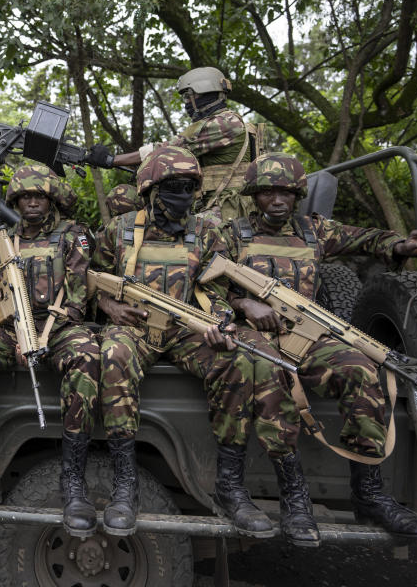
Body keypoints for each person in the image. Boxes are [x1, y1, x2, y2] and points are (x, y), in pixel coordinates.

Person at [215, 152, 417, 541]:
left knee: (360, 368)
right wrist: (242, 303)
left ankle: (369, 493)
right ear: (254, 195)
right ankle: (295, 498)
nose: (279, 200)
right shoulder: (230, 234)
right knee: (271, 377)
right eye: (269, 192)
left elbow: (365, 238)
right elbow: (206, 282)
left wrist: (402, 244)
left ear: (298, 194)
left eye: (287, 192)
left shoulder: (313, 231)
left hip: (306, 334)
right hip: (254, 336)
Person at [93, 145, 309, 542]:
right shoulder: (119, 230)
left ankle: (229, 486)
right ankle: (125, 486)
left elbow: (221, 289)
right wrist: (108, 305)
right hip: (136, 327)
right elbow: (88, 282)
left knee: (241, 360)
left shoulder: (207, 231)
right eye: (173, 187)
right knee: (113, 354)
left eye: (189, 187)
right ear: (150, 191)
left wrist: (220, 321)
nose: (183, 196)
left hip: (189, 329)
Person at [0, 164, 101, 537]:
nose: (33, 203)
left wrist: (38, 336)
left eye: (39, 196)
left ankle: (73, 481)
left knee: (87, 356)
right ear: (16, 201)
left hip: (58, 328)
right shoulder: (0, 239)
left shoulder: (72, 236)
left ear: (51, 199)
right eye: (26, 197)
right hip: (9, 330)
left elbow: (76, 300)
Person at [88, 66, 258, 222]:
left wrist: (112, 160)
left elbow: (167, 150)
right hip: (219, 205)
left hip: (227, 210)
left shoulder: (224, 123)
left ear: (204, 94)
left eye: (188, 96)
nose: (186, 103)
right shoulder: (223, 121)